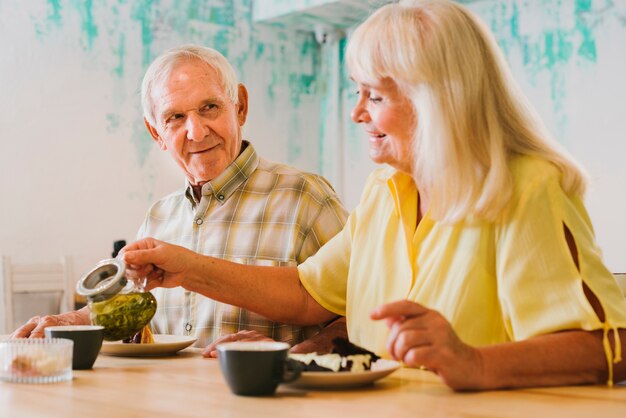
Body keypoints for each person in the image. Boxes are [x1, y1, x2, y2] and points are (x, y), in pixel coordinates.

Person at [120, 0, 626, 390]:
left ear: (437, 100)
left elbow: (611, 347)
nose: (357, 113)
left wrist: (474, 362)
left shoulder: (528, 185)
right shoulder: (387, 190)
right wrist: (186, 267)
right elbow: (305, 293)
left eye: (375, 96)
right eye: (356, 92)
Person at [11, 44, 349, 356]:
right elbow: (132, 314)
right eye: (175, 117)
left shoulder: (307, 197)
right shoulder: (159, 216)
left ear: (240, 107)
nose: (196, 132)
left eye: (210, 108)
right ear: (156, 132)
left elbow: (367, 313)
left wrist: (290, 356)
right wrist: (76, 320)